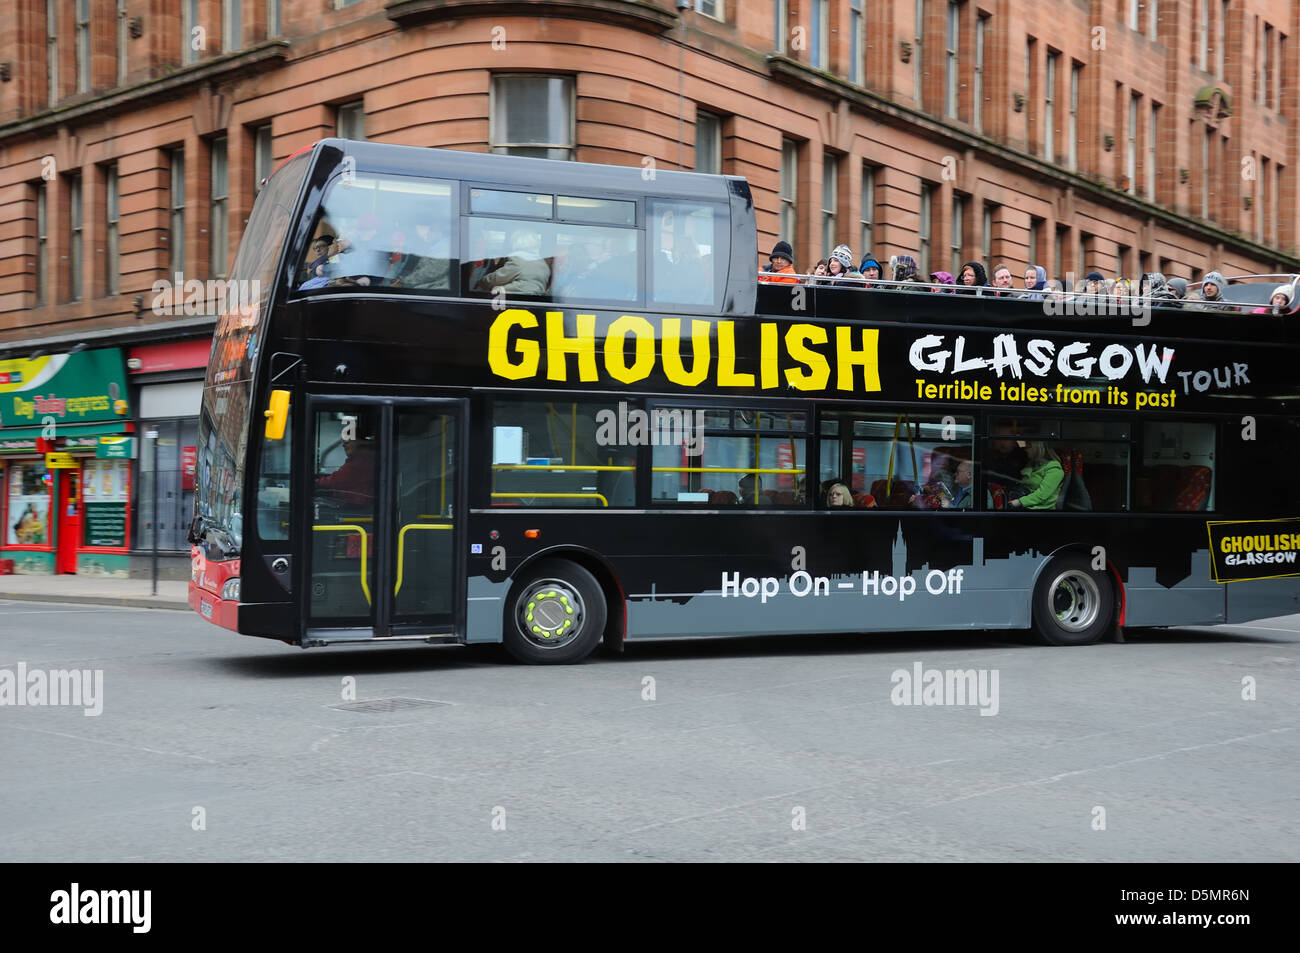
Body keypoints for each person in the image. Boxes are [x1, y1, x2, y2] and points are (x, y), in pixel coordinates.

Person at [476, 228, 551, 295]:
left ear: (516, 242)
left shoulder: (518, 259)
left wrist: (482, 281)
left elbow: (497, 279)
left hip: (517, 299)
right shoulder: (543, 264)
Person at [1008, 441, 1064, 510]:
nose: (1025, 449)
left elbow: (1042, 495)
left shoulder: (1055, 470)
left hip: (1040, 509)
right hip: (1025, 501)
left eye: (1028, 447)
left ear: (1037, 448)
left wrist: (1019, 502)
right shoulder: (1032, 464)